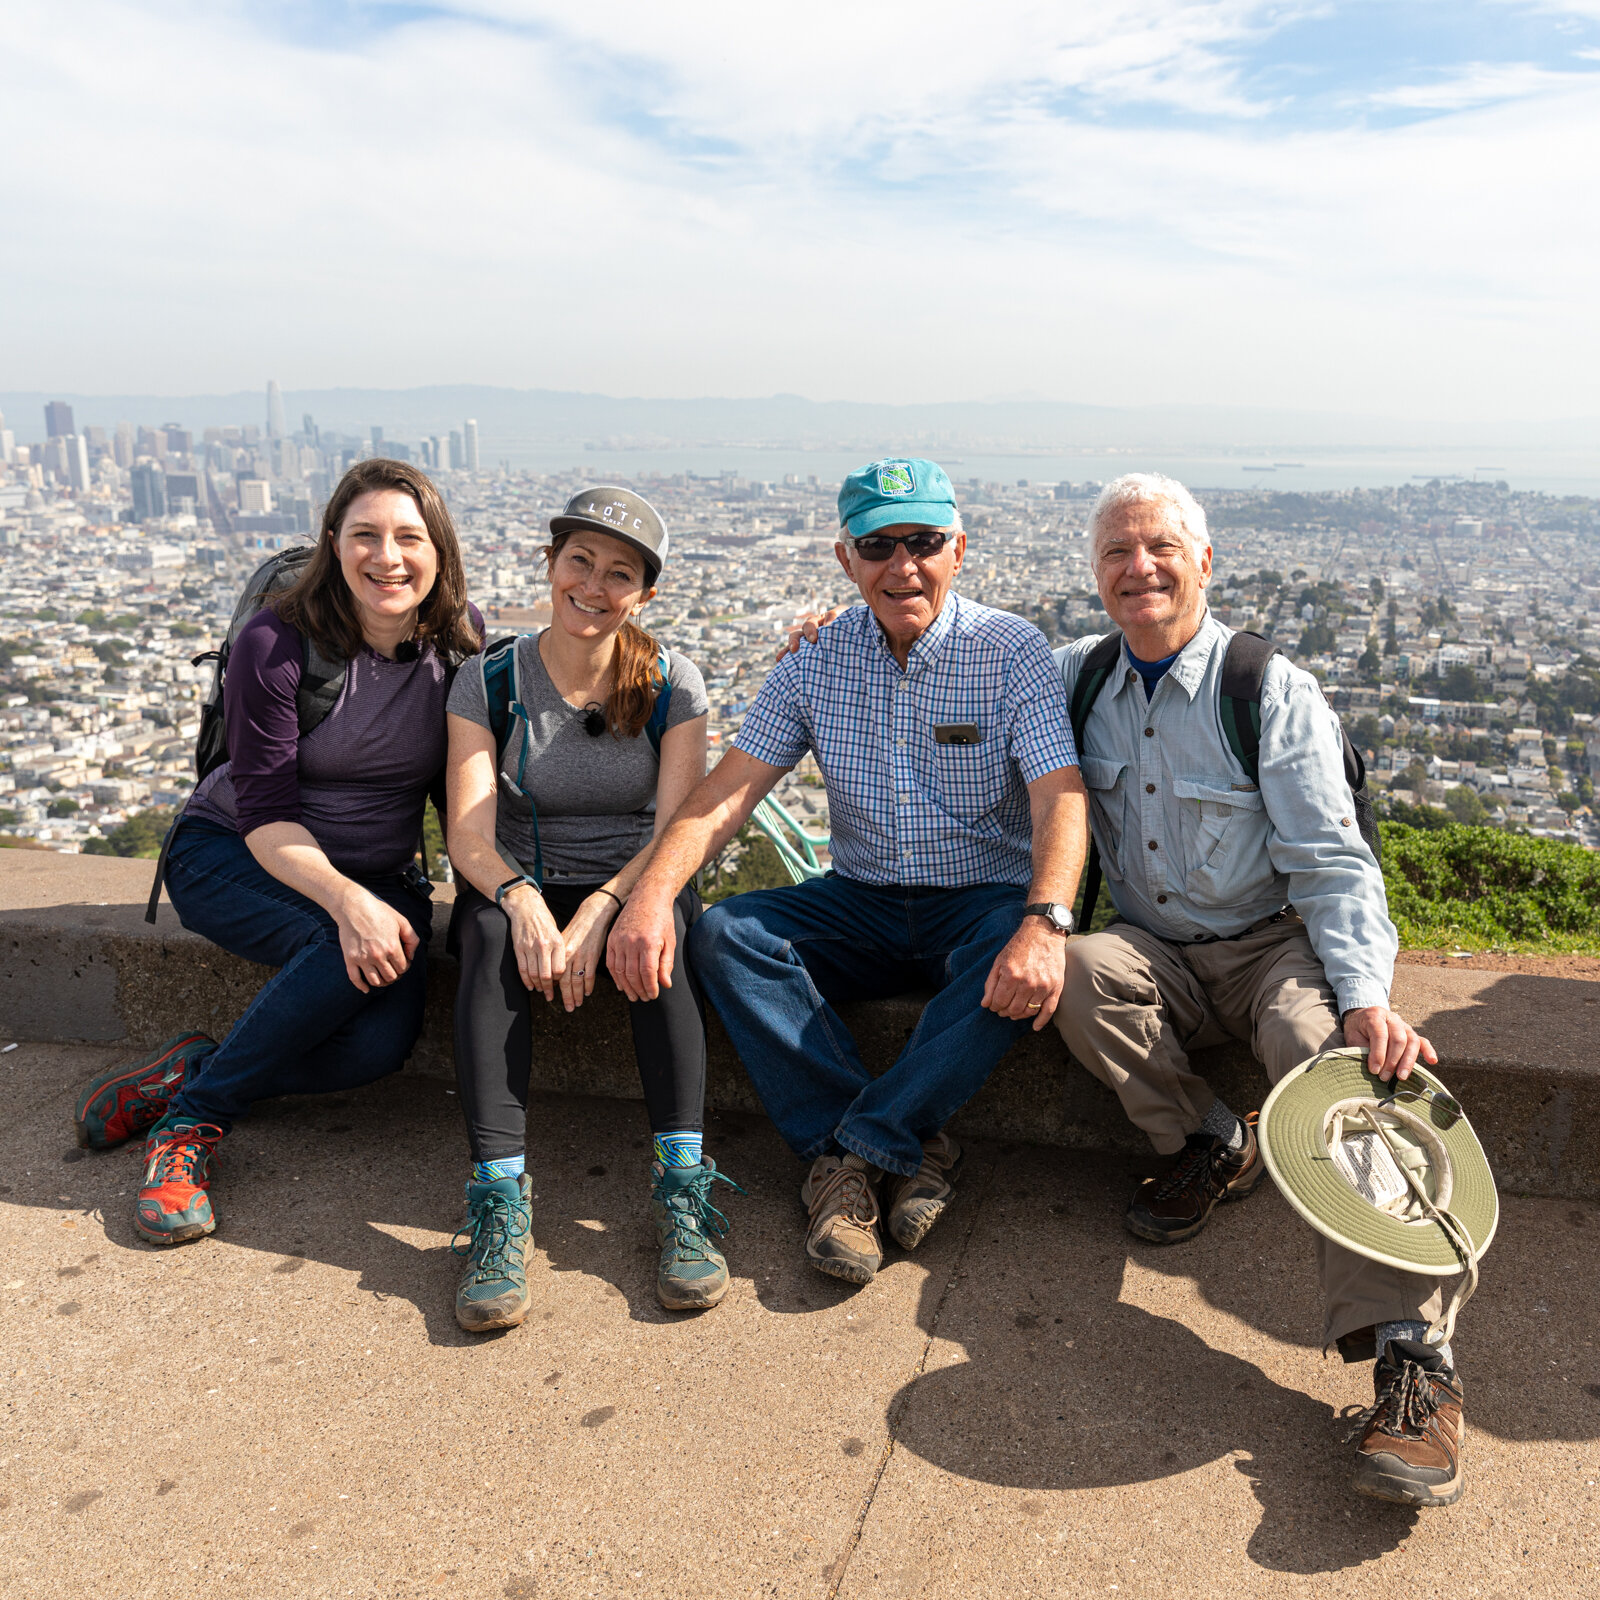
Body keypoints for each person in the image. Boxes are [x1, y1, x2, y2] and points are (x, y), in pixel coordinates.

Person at [1052, 472, 1464, 1508]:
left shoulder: (1264, 688)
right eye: (1116, 552)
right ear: (1095, 573)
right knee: (1075, 969)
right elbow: (961, 663)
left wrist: (1364, 994)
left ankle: (1412, 1358)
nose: (1139, 568)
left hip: (1273, 946)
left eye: (1159, 547)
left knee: (1325, 1066)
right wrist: (842, 630)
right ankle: (1212, 1138)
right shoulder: (1080, 675)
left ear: (1203, 561)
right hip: (1156, 949)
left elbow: (1330, 860)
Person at [607, 458, 1087, 1287]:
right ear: (846, 559)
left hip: (979, 899)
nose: (903, 565)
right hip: (861, 898)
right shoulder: (816, 660)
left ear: (959, 549)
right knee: (725, 935)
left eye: (924, 542)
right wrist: (650, 897)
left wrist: (1045, 921)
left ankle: (848, 1161)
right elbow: (727, 795)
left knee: (1019, 953)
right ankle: (906, 1147)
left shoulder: (1009, 652)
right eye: (878, 546)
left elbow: (1059, 795)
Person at [72, 459, 482, 1246]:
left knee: (377, 1047)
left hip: (378, 874)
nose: (387, 557)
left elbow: (458, 792)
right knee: (335, 941)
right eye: (364, 536)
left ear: (439, 551)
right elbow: (264, 814)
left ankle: (191, 1070)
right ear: (333, 543)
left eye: (408, 537)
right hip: (235, 854)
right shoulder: (279, 638)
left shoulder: (460, 645)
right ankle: (191, 1125)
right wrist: (350, 902)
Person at [444, 485, 735, 1332]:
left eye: (619, 574)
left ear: (644, 594)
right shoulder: (489, 679)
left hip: (632, 876)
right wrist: (524, 900)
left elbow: (676, 830)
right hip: (519, 876)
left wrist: (608, 907)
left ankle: (683, 1187)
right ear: (551, 564)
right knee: (487, 935)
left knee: (660, 931)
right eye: (580, 561)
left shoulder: (671, 681)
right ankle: (498, 1200)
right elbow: (467, 835)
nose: (594, 586)